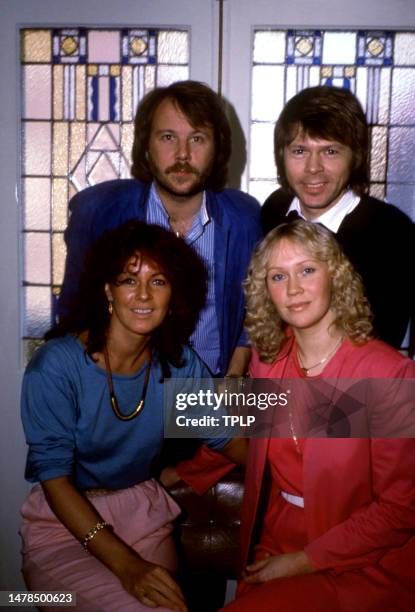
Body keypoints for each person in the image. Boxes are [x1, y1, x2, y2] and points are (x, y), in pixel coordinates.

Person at [20, 221, 246, 612]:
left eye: (158, 282)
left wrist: (309, 468)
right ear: (108, 290)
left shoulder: (179, 366)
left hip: (143, 513)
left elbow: (227, 439)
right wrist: (127, 566)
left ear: (173, 295)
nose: (143, 294)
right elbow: (55, 480)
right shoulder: (56, 366)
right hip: (64, 526)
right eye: (129, 280)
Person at [222, 220, 415, 611]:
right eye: (278, 276)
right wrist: (175, 468)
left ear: (336, 275)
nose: (293, 289)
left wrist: (301, 563)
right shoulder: (266, 359)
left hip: (362, 558)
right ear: (266, 291)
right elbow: (250, 443)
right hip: (277, 537)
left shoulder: (388, 373)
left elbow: (400, 507)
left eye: (307, 270)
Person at [58, 79, 262, 377]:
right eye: (168, 137)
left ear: (218, 148)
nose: (182, 154)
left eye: (198, 139)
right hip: (123, 389)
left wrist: (235, 371)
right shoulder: (99, 213)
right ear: (146, 146)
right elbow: (74, 313)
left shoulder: (244, 217)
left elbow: (257, 308)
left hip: (211, 392)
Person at [260, 85, 414, 349]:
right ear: (281, 156)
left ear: (354, 157)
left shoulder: (393, 233)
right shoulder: (275, 210)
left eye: (330, 151)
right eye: (299, 151)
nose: (313, 168)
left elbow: (380, 349)